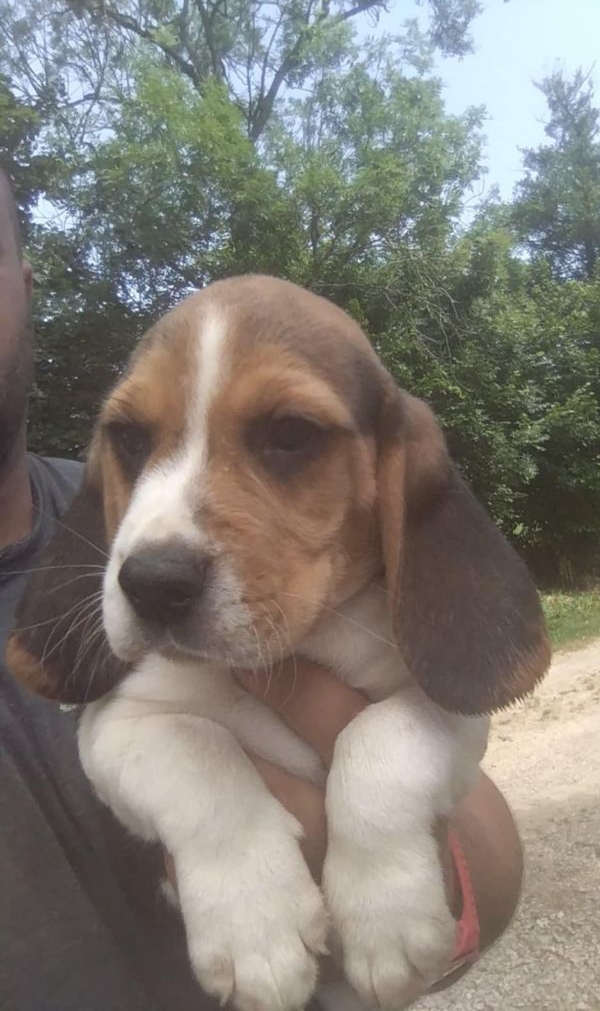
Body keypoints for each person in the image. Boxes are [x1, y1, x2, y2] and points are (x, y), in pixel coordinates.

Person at [0, 164, 524, 1010]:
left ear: (389, 470)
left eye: (288, 434)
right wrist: (224, 829)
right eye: (134, 441)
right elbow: (122, 733)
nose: (159, 547)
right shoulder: (108, 544)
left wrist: (388, 822)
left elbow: (453, 720)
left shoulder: (381, 607)